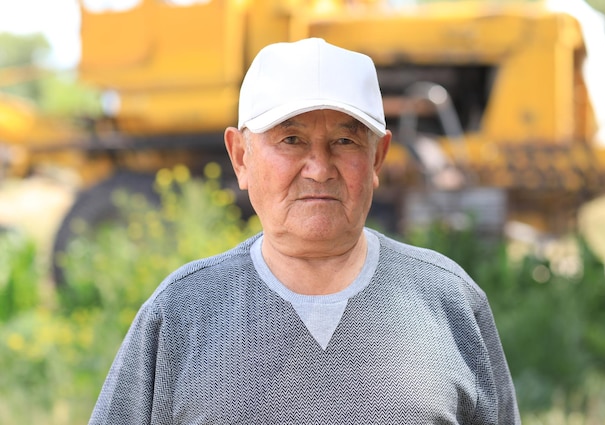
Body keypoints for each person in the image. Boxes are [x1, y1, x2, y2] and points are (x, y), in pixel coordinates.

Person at [88, 37, 520, 424]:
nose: (318, 169)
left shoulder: (447, 301)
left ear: (377, 159)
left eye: (345, 141)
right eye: (291, 140)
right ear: (241, 157)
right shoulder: (181, 312)